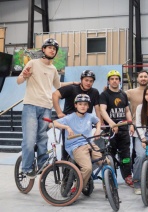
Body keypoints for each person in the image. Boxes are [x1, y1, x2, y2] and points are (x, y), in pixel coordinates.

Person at [16, 38, 74, 178]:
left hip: (46, 107)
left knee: (42, 138)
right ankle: (26, 168)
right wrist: (24, 75)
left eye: (54, 49)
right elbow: (19, 81)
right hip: (31, 105)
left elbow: (58, 86)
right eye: (49, 47)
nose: (52, 50)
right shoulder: (33, 63)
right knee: (29, 140)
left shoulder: (53, 69)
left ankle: (42, 164)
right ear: (43, 49)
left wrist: (73, 83)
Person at [52, 94, 103, 188]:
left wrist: (98, 129)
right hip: (76, 146)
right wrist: (66, 127)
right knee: (87, 168)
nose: (83, 106)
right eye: (80, 104)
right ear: (76, 105)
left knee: (105, 162)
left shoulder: (90, 116)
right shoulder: (69, 117)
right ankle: (77, 188)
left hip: (89, 144)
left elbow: (98, 121)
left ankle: (108, 186)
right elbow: (53, 124)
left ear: (88, 106)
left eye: (85, 104)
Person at [52, 70, 101, 161]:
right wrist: (59, 112)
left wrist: (100, 124)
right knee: (69, 150)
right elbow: (55, 95)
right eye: (86, 80)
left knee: (88, 148)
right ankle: (67, 171)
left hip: (84, 123)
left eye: (91, 81)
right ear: (81, 80)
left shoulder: (94, 92)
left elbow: (97, 108)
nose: (88, 83)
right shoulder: (72, 88)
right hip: (70, 122)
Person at [99, 70, 134, 187]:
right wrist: (111, 123)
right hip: (110, 130)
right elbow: (102, 110)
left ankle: (127, 176)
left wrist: (131, 124)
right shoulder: (104, 95)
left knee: (125, 155)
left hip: (123, 129)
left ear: (119, 81)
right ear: (109, 81)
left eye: (116, 79)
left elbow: (127, 111)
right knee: (110, 154)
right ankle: (110, 177)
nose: (114, 81)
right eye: (112, 79)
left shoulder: (123, 94)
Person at [126, 70, 148, 172]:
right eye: (141, 76)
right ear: (137, 79)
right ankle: (136, 173)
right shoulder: (130, 92)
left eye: (145, 76)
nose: (143, 78)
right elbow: (117, 94)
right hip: (137, 126)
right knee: (137, 153)